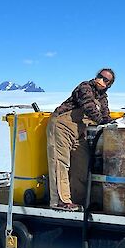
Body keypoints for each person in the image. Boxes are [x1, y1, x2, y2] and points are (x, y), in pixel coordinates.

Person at [46, 68, 115, 211]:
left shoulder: (103, 98)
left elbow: (105, 114)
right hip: (62, 124)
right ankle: (60, 201)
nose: (101, 80)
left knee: (82, 165)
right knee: (60, 163)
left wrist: (115, 123)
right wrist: (101, 121)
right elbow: (88, 106)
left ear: (109, 84)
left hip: (79, 130)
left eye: (105, 79)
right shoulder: (85, 87)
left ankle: (77, 200)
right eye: (99, 76)